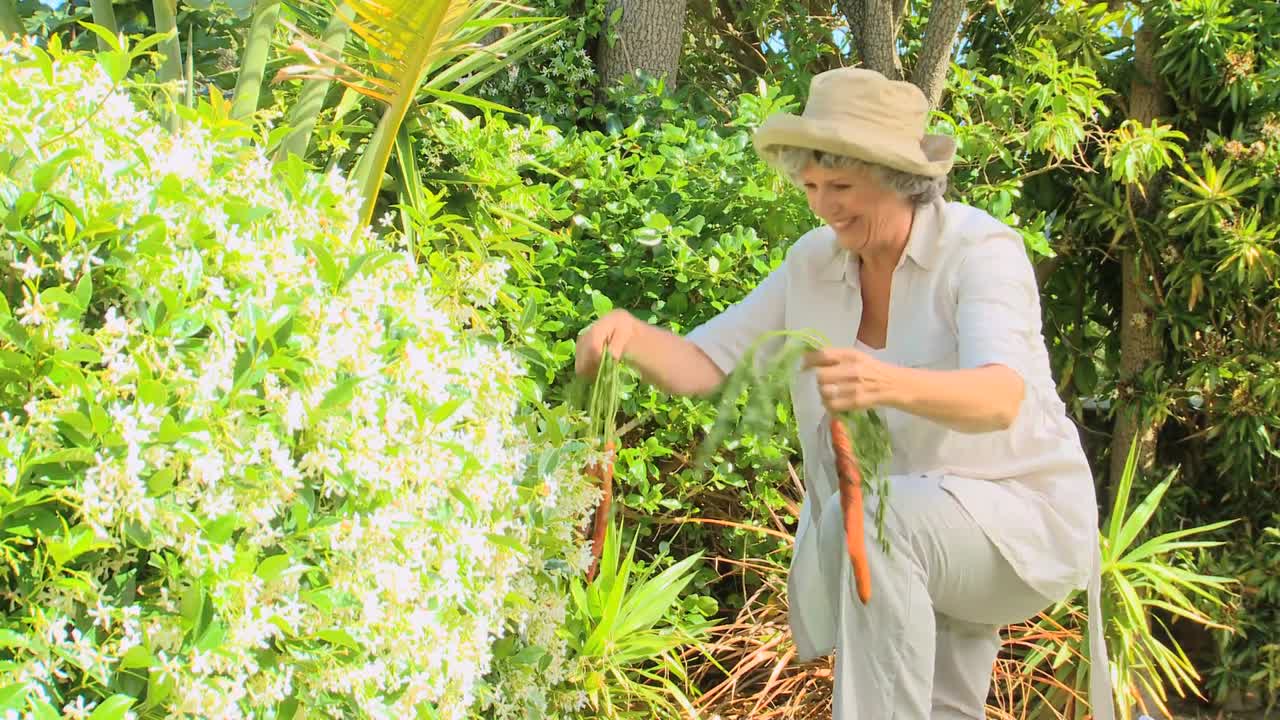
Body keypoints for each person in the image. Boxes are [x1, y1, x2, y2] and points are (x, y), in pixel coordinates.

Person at [574, 67, 1114, 720]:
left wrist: (886, 383)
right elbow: (704, 364)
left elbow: (1000, 398)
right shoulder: (813, 262)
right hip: (913, 533)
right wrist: (629, 336)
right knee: (940, 701)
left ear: (898, 178)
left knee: (877, 522)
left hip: (1021, 524)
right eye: (811, 187)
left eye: (841, 187)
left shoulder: (980, 250)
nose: (823, 206)